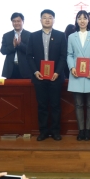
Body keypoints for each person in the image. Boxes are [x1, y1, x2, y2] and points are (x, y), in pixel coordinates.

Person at [26, 9, 67, 141]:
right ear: (40, 20)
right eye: (44, 17)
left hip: (56, 77)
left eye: (50, 17)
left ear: (54, 20)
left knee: (55, 105)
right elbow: (29, 56)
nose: (47, 20)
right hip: (39, 77)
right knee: (42, 105)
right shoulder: (33, 36)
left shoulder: (61, 35)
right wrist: (35, 71)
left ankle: (55, 131)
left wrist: (57, 72)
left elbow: (63, 56)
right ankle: (43, 131)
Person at [67, 10, 90, 141]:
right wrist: (72, 67)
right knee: (78, 104)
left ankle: (88, 130)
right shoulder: (71, 37)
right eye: (79, 18)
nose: (82, 20)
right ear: (76, 20)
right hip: (76, 74)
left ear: (88, 21)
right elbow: (69, 54)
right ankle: (81, 130)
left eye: (84, 18)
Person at [0, 12, 31, 79]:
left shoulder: (30, 35)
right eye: (14, 21)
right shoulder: (6, 35)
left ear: (23, 21)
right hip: (11, 69)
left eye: (18, 21)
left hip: (25, 69)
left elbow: (31, 51)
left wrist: (20, 44)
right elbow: (3, 51)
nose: (16, 23)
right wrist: (13, 46)